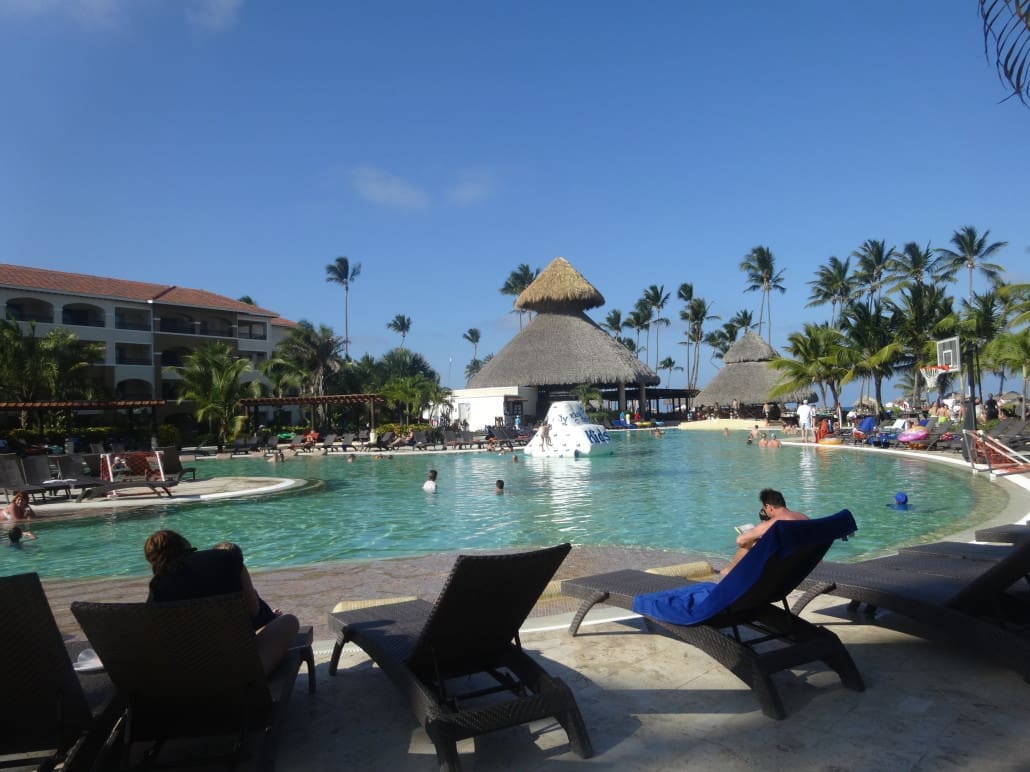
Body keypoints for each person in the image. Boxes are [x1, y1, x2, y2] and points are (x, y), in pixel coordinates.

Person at [144, 530, 299, 674]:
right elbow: (253, 610)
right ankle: (249, 678)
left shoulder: (158, 585)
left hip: (189, 670)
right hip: (237, 663)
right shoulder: (227, 559)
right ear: (185, 544)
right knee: (289, 622)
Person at [723, 489, 808, 575]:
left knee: (748, 543)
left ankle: (728, 571)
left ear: (769, 507)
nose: (765, 512)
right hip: (802, 559)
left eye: (764, 508)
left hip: (785, 563)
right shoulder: (803, 516)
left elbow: (740, 540)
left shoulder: (776, 521)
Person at [214, 541, 280, 628]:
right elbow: (254, 612)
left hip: (230, 629)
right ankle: (273, 617)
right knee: (290, 620)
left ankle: (271, 616)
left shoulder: (214, 590)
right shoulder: (243, 593)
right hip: (255, 629)